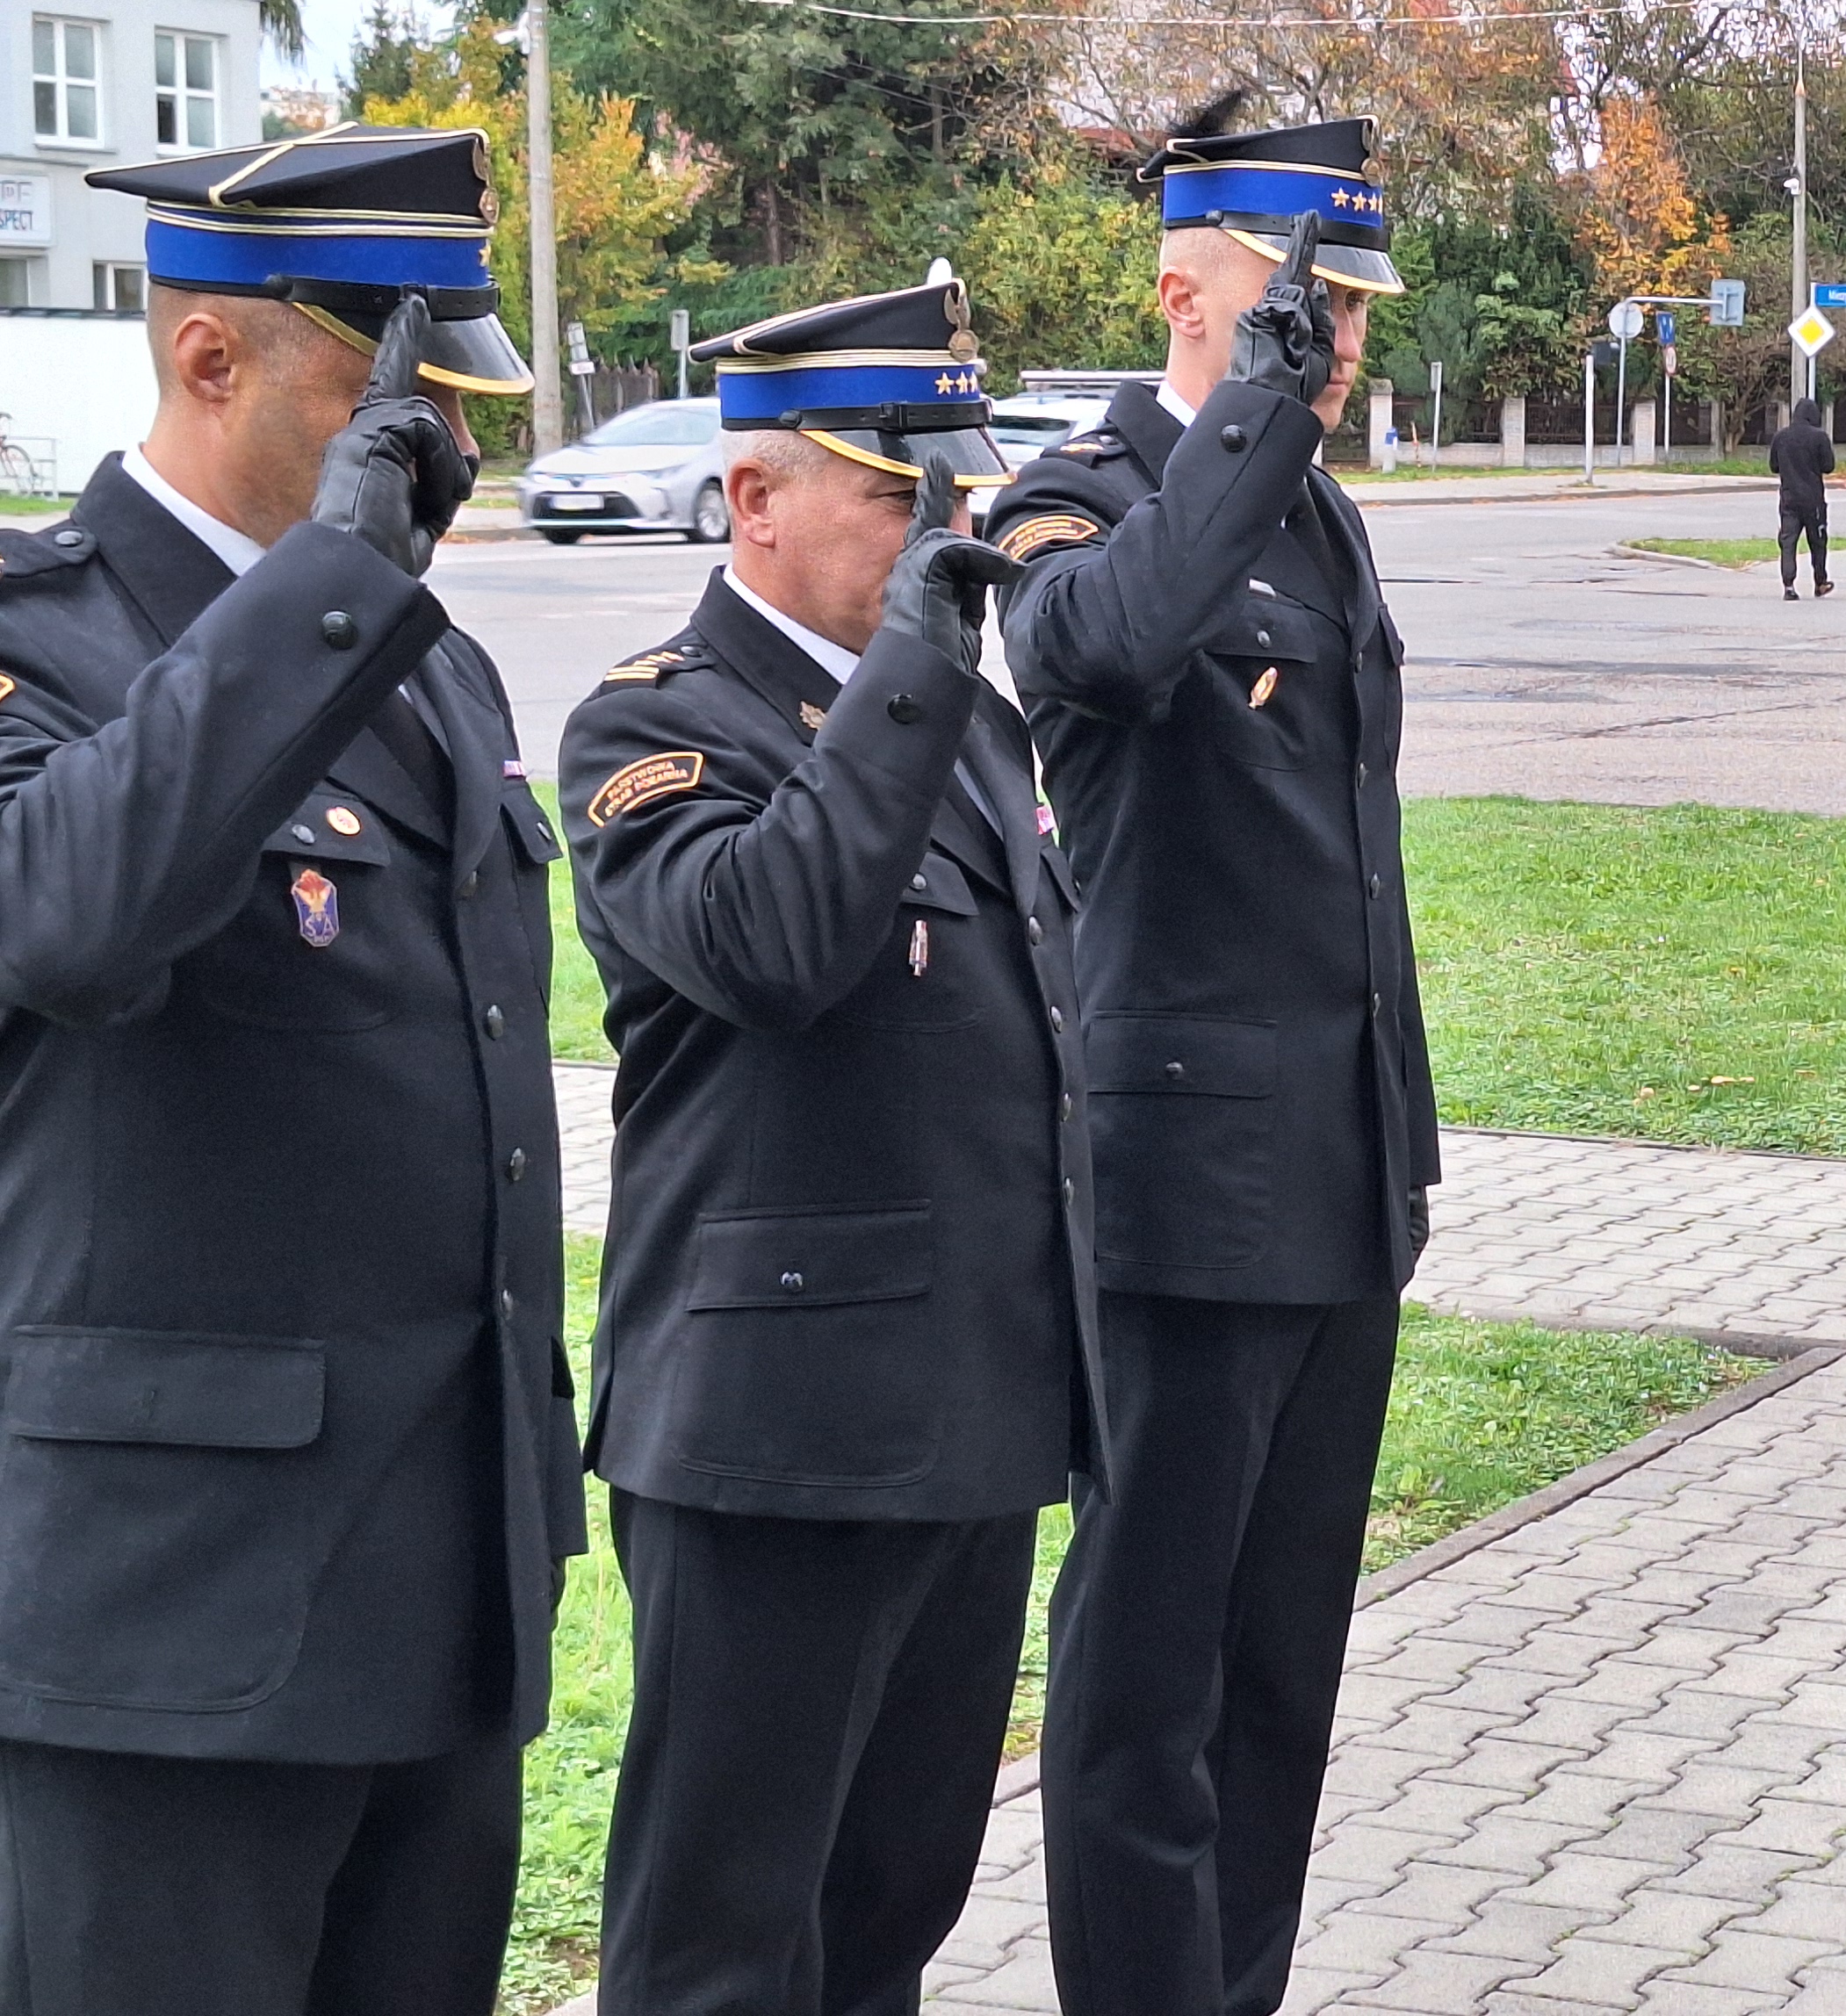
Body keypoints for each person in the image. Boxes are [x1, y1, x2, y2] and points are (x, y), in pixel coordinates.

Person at [0, 126, 579, 2015]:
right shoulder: (40, 639)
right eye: (376, 387)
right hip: (168, 1630)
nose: (433, 442)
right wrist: (334, 568)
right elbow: (74, 922)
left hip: (436, 1594)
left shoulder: (426, 664)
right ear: (210, 356)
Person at [555, 278, 1097, 2016]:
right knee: (724, 1939)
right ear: (757, 499)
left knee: (889, 1913)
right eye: (895, 490)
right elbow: (776, 942)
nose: (939, 527)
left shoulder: (962, 719)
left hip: (963, 1411)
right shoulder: (652, 723)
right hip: (771, 1440)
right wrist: (919, 677)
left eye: (950, 487)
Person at [980, 107, 1439, 2016]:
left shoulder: (1316, 508)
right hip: (1181, 1196)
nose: (1335, 338)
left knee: (1280, 1682)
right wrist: (1255, 405)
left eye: (1342, 307)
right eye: (1300, 299)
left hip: (1335, 1180)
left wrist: (1396, 1153)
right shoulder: (1073, 496)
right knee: (1146, 1684)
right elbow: (1104, 648)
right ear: (1190, 288)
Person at [1772, 395, 1836, 599]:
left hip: (1789, 499)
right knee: (1818, 541)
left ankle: (1789, 586)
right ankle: (1820, 582)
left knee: (1788, 541)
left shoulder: (1781, 437)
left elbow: (1774, 467)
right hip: (1813, 499)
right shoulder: (1819, 437)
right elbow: (1828, 466)